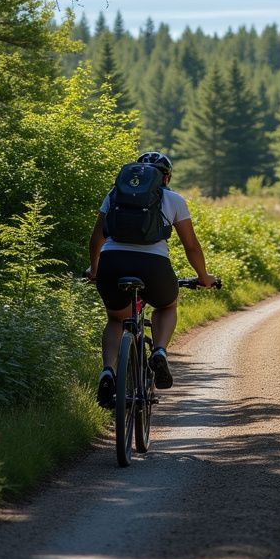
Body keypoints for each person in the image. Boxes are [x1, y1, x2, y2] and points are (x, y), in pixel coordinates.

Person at [86, 151, 214, 406]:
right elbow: (191, 246)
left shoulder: (114, 195)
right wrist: (203, 276)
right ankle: (159, 350)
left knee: (115, 319)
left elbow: (96, 238)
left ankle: (108, 371)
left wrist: (94, 269)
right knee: (167, 305)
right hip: (153, 265)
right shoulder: (174, 199)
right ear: (165, 178)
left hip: (112, 262)